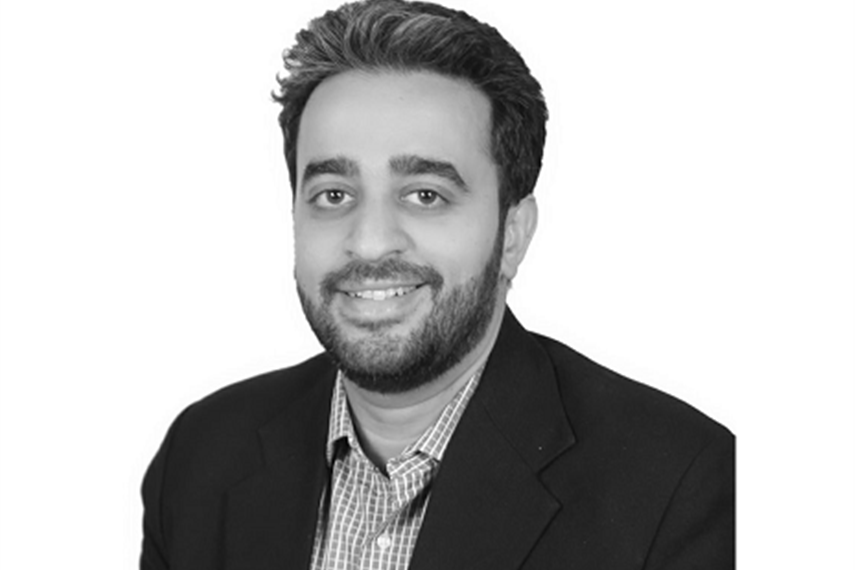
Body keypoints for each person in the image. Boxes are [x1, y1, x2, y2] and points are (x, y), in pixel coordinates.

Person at [140, 0, 735, 568]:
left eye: (425, 195)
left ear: (513, 235)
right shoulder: (200, 456)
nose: (370, 242)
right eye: (333, 195)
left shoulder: (681, 488)